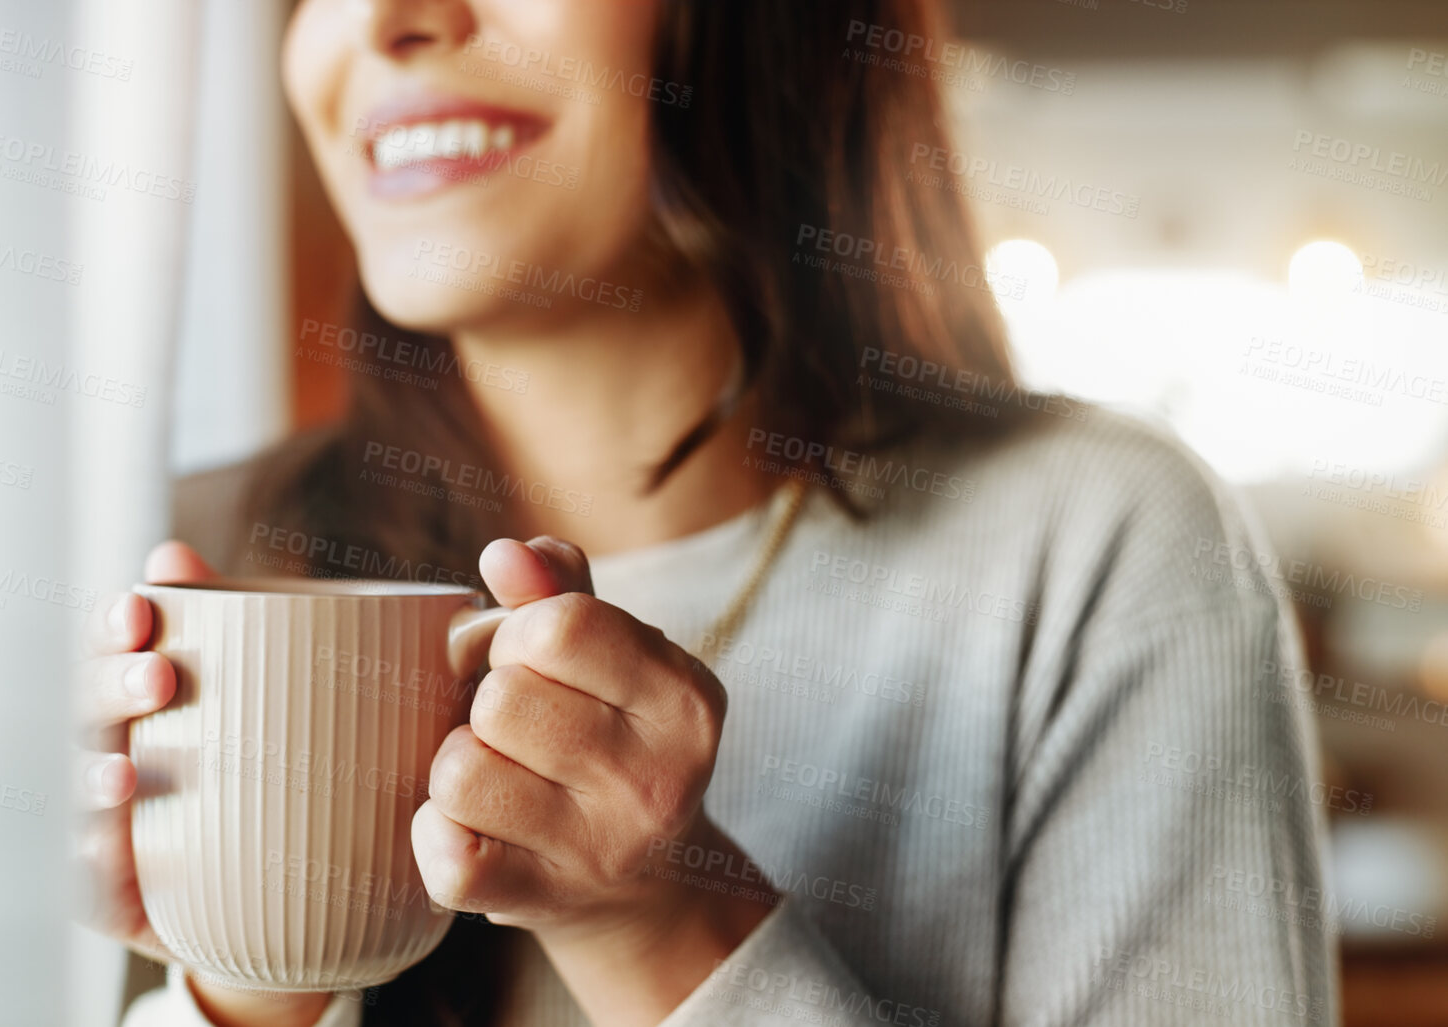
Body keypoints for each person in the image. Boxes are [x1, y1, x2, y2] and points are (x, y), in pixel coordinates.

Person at [81, 1, 1338, 1024]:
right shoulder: (190, 556)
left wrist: (661, 928)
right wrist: (247, 954)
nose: (387, 21)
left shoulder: (1100, 549)